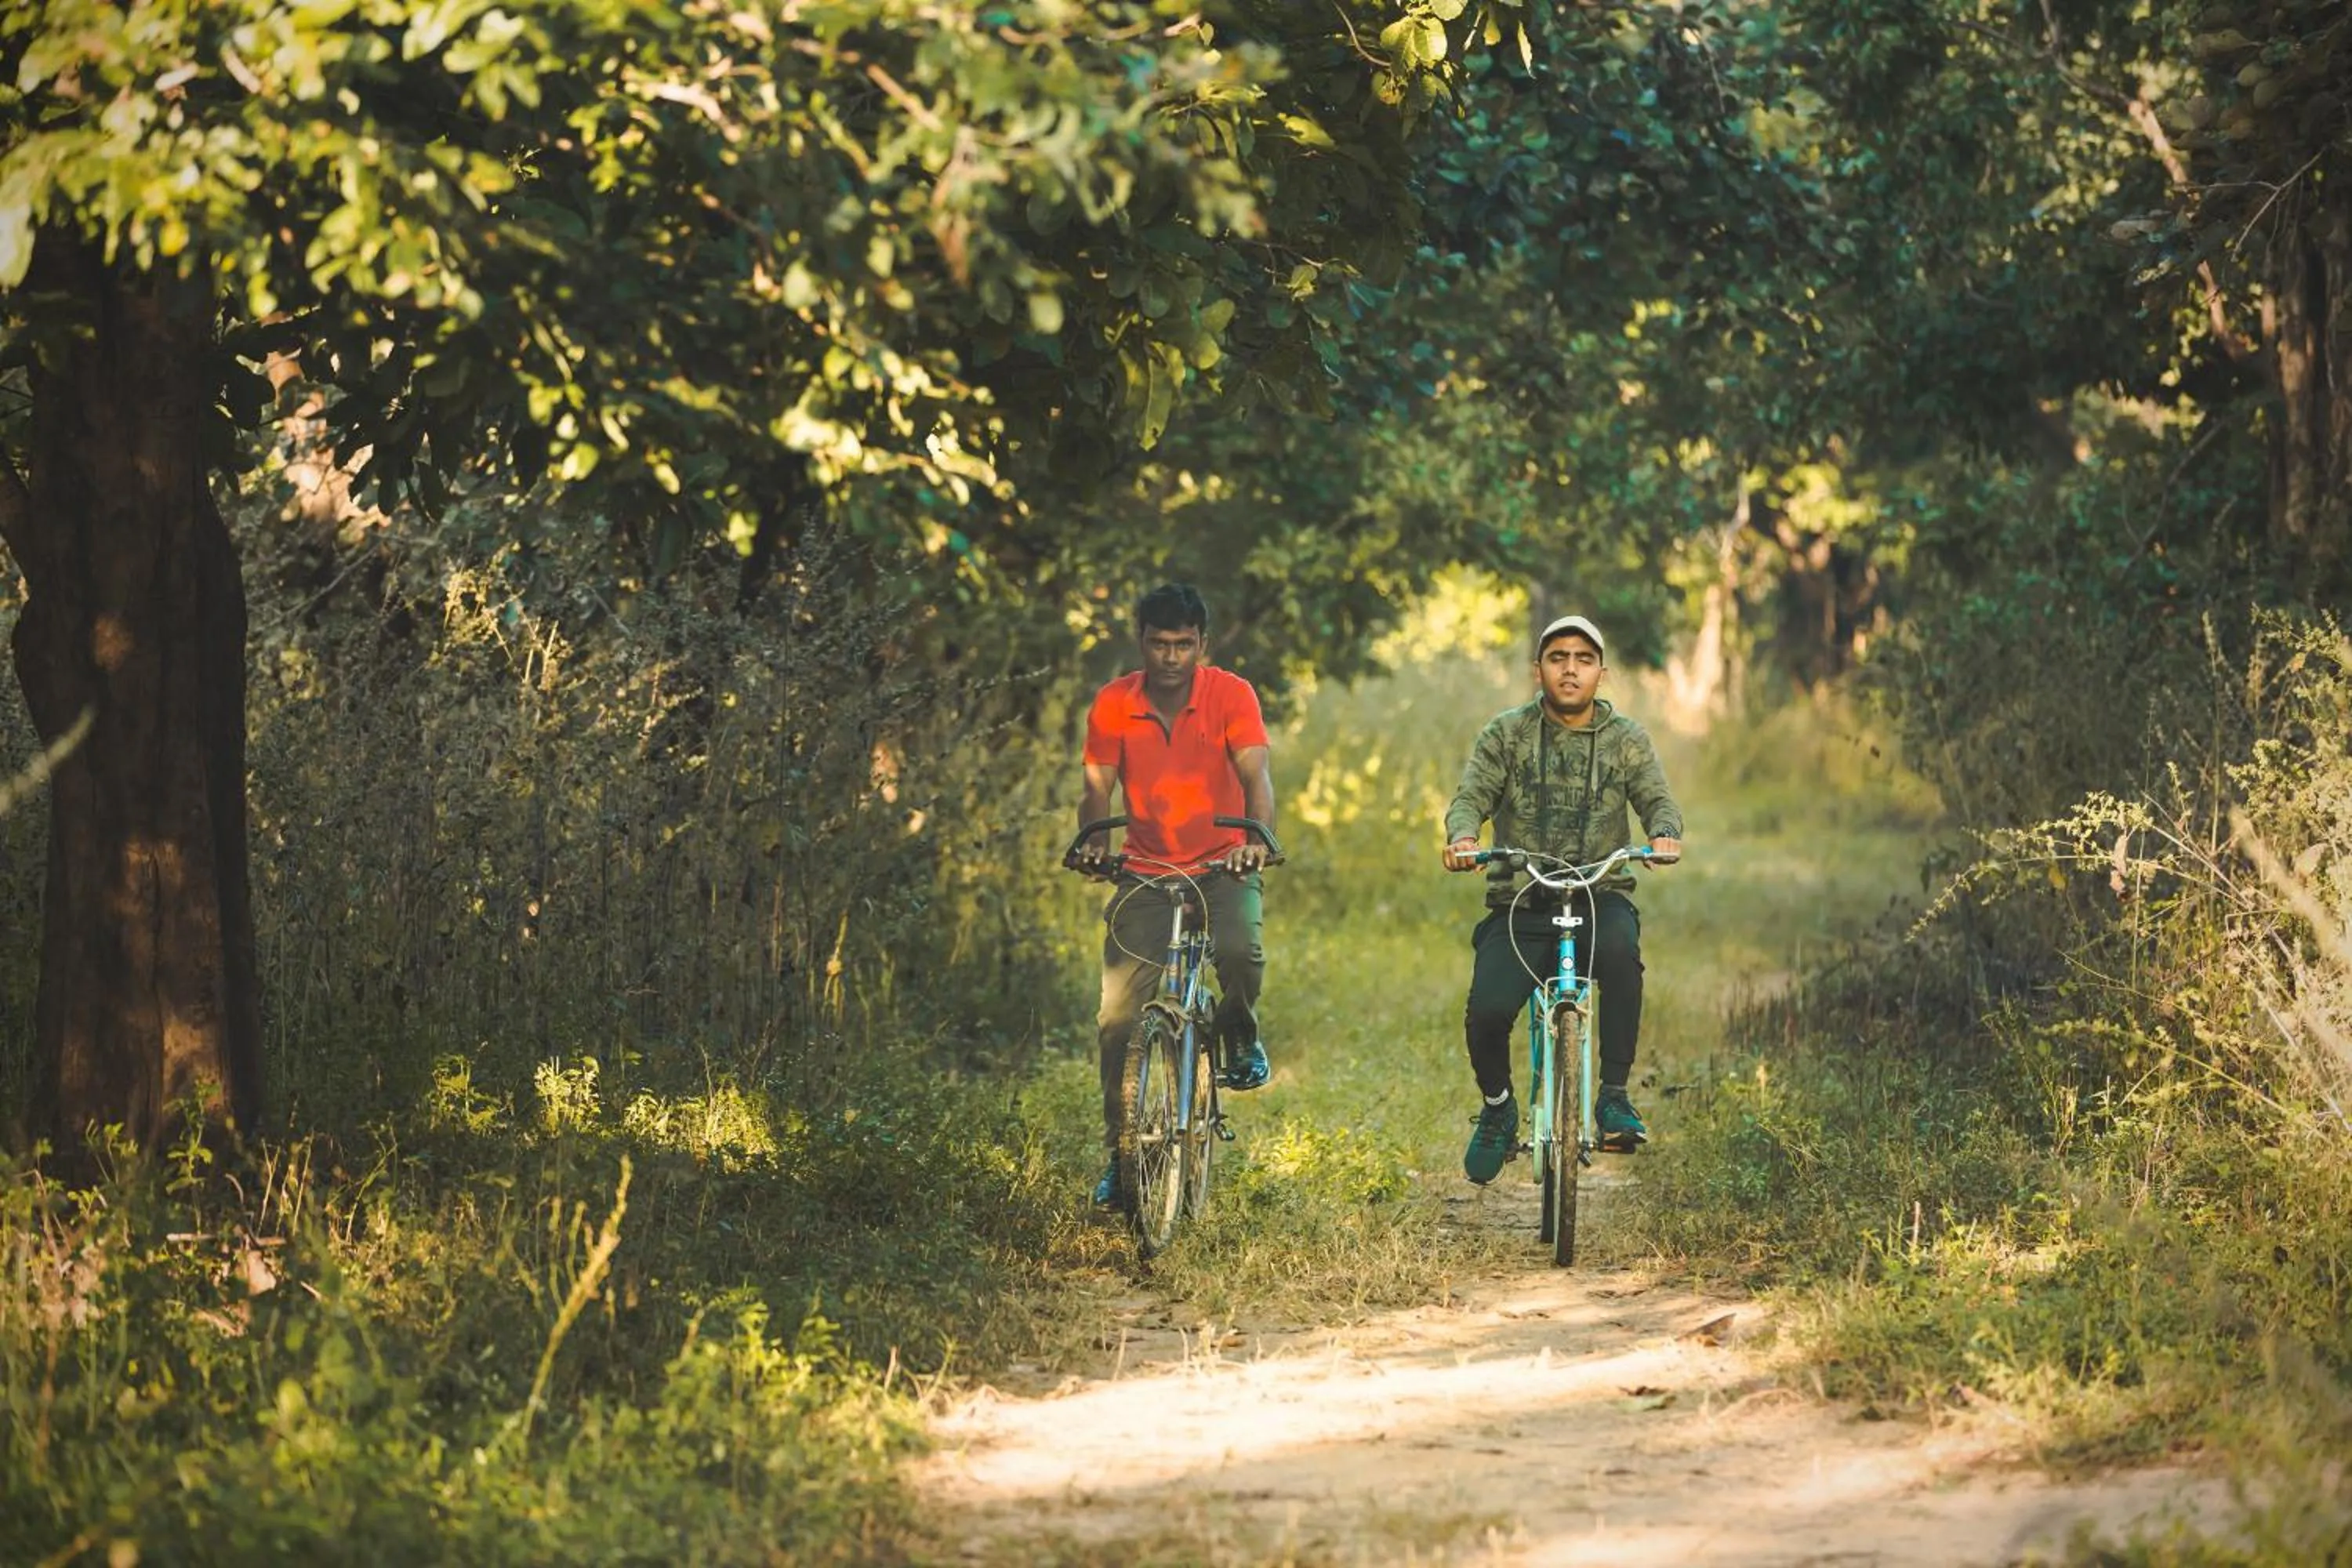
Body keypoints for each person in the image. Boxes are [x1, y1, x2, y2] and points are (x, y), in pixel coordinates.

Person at [1441, 612, 1684, 1184]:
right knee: (1487, 1012)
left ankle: (1614, 1097)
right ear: (1539, 669)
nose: (1570, 669)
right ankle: (1499, 1110)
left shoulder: (1626, 740)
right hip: (1522, 899)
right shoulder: (1506, 733)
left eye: (1583, 659)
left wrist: (1664, 834)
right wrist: (1462, 837)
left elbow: (1657, 799)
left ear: (1602, 672)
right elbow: (1470, 794)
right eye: (1557, 658)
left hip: (1601, 894)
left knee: (1623, 957)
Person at [1074, 583, 1277, 1206]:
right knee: (1116, 1019)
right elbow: (1096, 787)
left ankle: (1237, 1030)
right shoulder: (1114, 703)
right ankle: (1122, 1155)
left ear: (1202, 645)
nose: (1170, 657)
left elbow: (1256, 773)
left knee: (1241, 953)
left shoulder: (1231, 694)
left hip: (1224, 861)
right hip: (1144, 869)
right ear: (1141, 643)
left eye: (1183, 645)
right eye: (1159, 644)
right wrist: (1093, 843)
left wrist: (1257, 839)